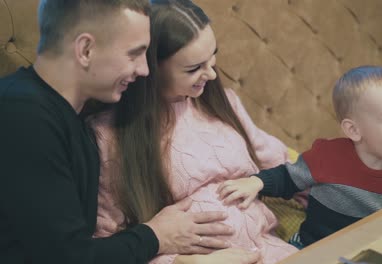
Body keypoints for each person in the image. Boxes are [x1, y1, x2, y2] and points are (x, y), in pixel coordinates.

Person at [0, 1, 237, 263]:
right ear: (86, 50)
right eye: (134, 54)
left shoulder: (65, 118)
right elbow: (67, 257)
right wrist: (156, 236)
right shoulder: (22, 117)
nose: (144, 70)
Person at [90, 0, 298, 263]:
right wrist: (180, 262)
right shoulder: (108, 138)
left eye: (212, 58)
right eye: (194, 68)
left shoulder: (222, 102)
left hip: (268, 249)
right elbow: (109, 246)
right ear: (149, 70)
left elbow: (280, 161)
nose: (211, 75)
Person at [217, 65, 382, 248]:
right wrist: (256, 182)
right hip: (311, 246)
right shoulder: (327, 156)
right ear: (353, 130)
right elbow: (288, 177)